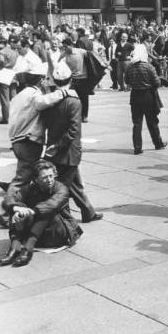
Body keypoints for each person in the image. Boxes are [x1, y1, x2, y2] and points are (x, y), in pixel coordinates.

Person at [0, 62, 78, 226]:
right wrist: (64, 92)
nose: (47, 82)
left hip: (18, 141)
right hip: (29, 142)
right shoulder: (34, 95)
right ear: (40, 80)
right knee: (21, 181)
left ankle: (15, 208)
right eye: (45, 79)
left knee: (25, 178)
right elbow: (41, 102)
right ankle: (2, 213)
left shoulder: (20, 95)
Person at [42, 61, 103, 224]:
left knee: (72, 183)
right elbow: (74, 131)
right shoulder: (74, 102)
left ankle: (87, 211)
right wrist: (58, 145)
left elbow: (46, 123)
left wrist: (53, 145)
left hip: (55, 149)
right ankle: (66, 216)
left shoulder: (50, 100)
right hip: (68, 150)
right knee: (64, 187)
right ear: (70, 80)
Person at [0, 160, 83, 267]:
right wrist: (16, 208)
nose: (49, 180)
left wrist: (32, 211)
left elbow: (52, 204)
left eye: (51, 176)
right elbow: (11, 198)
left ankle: (28, 250)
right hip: (37, 235)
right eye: (45, 177)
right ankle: (14, 247)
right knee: (19, 209)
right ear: (36, 179)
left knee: (47, 210)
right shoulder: (30, 187)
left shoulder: (62, 188)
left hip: (57, 233)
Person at [124, 45, 166, 155]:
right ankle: (158, 143)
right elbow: (157, 83)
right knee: (152, 122)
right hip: (148, 96)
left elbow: (126, 81)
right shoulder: (149, 67)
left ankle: (137, 148)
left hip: (135, 96)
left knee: (137, 123)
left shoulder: (130, 66)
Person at [59, 38, 93, 122]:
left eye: (66, 46)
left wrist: (105, 65)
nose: (64, 48)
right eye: (63, 47)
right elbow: (58, 64)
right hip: (72, 80)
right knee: (73, 99)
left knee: (84, 98)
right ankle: (75, 116)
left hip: (83, 78)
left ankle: (84, 116)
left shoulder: (81, 51)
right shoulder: (64, 54)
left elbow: (93, 56)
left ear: (71, 45)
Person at [0, 38, 19, 123]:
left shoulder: (1, 52)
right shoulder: (14, 52)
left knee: (5, 99)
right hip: (13, 75)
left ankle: (6, 118)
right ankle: (16, 117)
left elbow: (1, 60)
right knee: (15, 98)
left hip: (4, 75)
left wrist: (4, 66)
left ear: (3, 44)